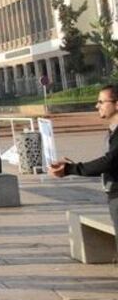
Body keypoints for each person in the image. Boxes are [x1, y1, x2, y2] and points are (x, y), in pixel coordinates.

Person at [50, 85, 118, 237]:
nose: (97, 106)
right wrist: (72, 167)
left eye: (101, 102)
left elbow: (109, 161)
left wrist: (70, 169)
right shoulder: (113, 130)